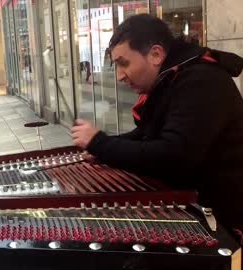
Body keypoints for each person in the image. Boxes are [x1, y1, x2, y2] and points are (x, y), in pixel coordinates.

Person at [70, 14, 243, 244]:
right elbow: (144, 136)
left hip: (224, 221)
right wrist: (102, 149)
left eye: (124, 63)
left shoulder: (201, 80)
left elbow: (173, 156)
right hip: (194, 203)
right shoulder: (172, 78)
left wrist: (99, 143)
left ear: (155, 54)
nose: (120, 75)